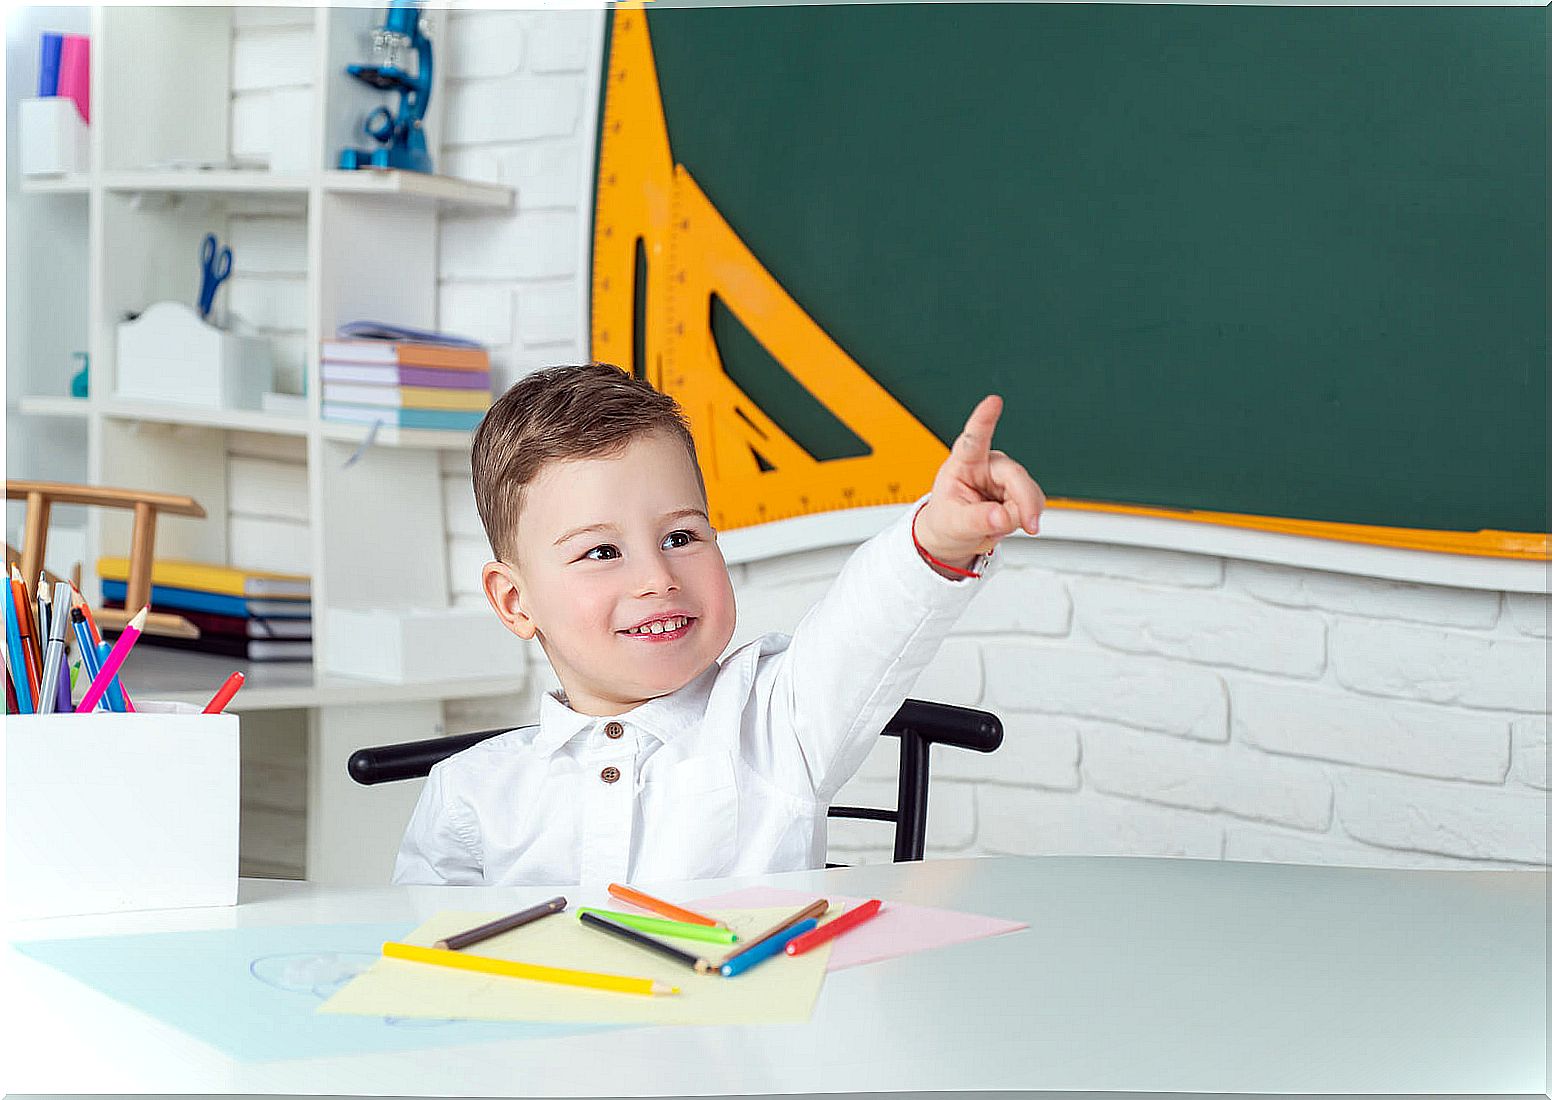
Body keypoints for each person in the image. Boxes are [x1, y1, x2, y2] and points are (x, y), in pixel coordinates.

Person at [393, 362, 1044, 884]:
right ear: (514, 602)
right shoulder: (470, 792)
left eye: (681, 536)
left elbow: (867, 626)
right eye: (601, 552)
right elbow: (425, 967)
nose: (657, 577)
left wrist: (941, 535)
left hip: (744, 1047)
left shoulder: (776, 721)